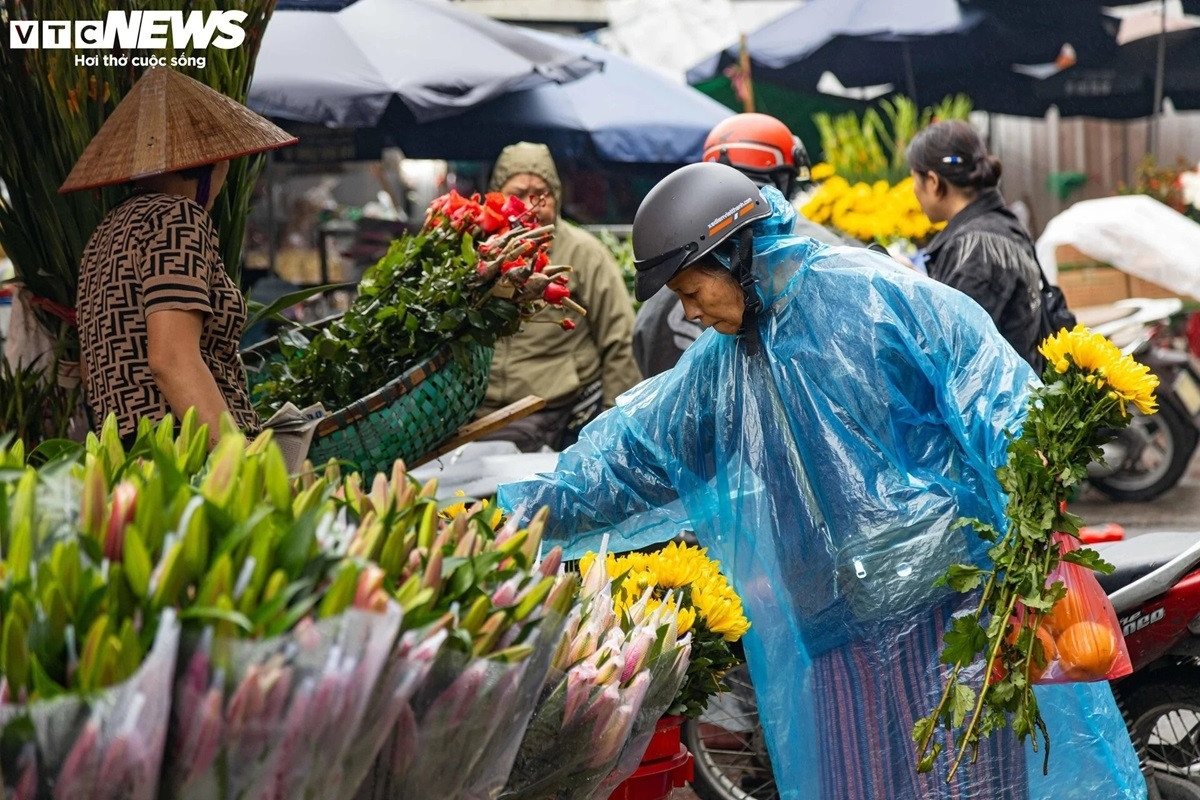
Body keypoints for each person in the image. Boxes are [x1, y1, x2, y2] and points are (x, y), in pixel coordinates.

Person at [498, 162, 1145, 799]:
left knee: (972, 784)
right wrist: (511, 517)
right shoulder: (720, 369)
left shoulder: (871, 295)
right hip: (836, 637)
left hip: (951, 610)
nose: (691, 313)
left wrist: (1030, 487)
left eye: (694, 291)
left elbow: (993, 393)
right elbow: (628, 462)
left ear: (735, 257)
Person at [62, 67, 297, 449]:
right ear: (214, 163)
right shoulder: (176, 218)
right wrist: (237, 461)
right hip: (187, 458)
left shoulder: (105, 232)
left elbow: (95, 372)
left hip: (130, 457)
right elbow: (170, 358)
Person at [633, 113, 848, 378]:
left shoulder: (673, 255)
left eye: (691, 293)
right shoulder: (820, 252)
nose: (691, 311)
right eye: (686, 293)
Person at [478, 142, 641, 451]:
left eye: (541, 194)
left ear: (557, 197)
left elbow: (620, 340)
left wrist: (611, 425)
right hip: (479, 415)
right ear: (497, 198)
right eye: (517, 194)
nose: (530, 205)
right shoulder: (481, 252)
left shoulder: (584, 253)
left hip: (557, 413)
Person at [907, 119, 1043, 368]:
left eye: (915, 179)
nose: (914, 190)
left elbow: (953, 351)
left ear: (934, 182)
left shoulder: (973, 248)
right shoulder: (1003, 226)